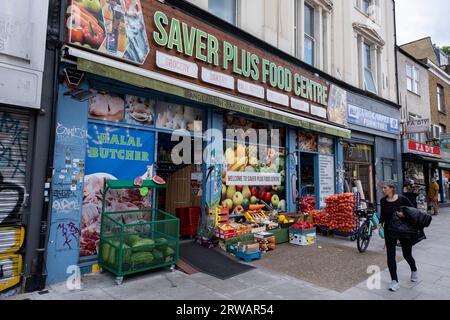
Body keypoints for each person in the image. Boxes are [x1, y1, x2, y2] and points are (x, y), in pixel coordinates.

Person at [379, 181, 418, 292]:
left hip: (404, 231)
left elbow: (413, 211)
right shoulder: (383, 201)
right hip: (389, 231)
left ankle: (414, 269)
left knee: (407, 255)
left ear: (391, 188)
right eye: (382, 188)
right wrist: (380, 222)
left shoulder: (402, 199)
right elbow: (383, 215)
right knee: (390, 256)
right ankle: (394, 281)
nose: (383, 190)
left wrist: (404, 215)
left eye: (385, 188)